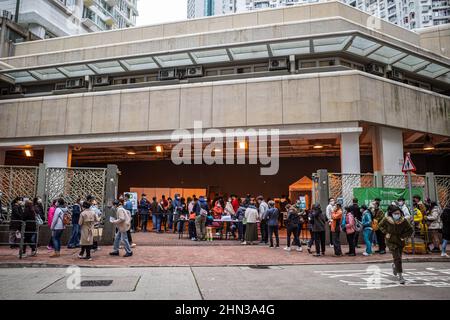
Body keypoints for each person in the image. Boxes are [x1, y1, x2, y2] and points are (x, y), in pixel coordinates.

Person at [378, 205, 414, 284]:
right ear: (391, 213)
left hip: (400, 241)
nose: (397, 215)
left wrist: (403, 236)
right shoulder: (387, 219)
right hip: (390, 241)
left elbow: (410, 230)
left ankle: (395, 266)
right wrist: (386, 232)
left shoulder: (404, 221)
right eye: (395, 213)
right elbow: (380, 225)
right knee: (397, 258)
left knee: (399, 257)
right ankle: (400, 276)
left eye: (398, 213)